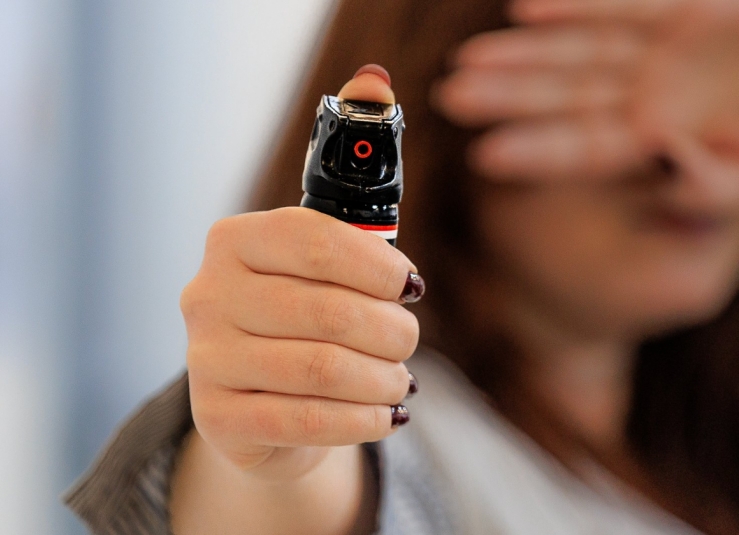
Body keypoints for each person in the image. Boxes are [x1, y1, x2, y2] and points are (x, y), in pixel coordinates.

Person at [64, 0, 739, 533]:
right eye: (617, 83)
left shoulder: (691, 455)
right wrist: (282, 452)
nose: (695, 154)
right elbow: (300, 490)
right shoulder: (419, 437)